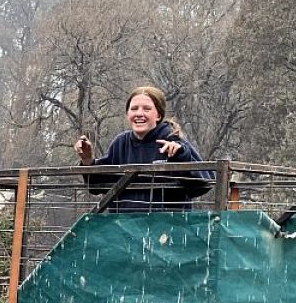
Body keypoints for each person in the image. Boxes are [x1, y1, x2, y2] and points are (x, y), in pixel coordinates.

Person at [73, 85, 212, 212]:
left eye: (147, 108)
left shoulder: (173, 140)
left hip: (167, 231)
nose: (139, 113)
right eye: (134, 109)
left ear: (158, 115)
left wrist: (181, 156)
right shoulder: (121, 143)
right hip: (123, 230)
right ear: (127, 114)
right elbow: (98, 186)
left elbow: (202, 185)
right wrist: (88, 161)